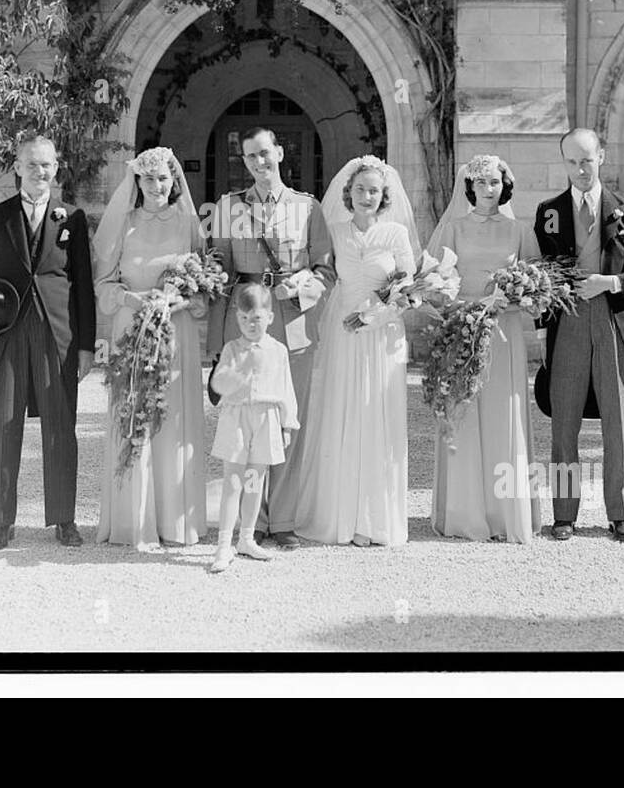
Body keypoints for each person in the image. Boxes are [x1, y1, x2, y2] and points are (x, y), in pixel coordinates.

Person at [0, 132, 96, 550]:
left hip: (57, 336)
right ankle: (2, 523)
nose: (41, 171)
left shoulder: (73, 218)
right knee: (3, 428)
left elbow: (84, 287)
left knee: (61, 428)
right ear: (18, 167)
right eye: (33, 164)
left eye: (47, 164)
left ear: (56, 168)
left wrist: (86, 346)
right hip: (5, 336)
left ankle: (64, 520)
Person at [533, 128, 624, 544]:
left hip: (611, 323)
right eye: (572, 162)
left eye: (587, 160)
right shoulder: (548, 212)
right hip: (567, 325)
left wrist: (611, 282)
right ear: (564, 162)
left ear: (601, 157)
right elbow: (542, 278)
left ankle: (620, 514)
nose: (580, 169)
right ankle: (564, 514)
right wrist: (542, 332)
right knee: (563, 426)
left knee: (617, 424)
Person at [207, 126, 335, 550]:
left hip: (291, 322)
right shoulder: (228, 208)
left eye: (265, 153)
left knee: (287, 420)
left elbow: (326, 269)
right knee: (246, 419)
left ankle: (282, 519)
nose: (259, 162)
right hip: (245, 322)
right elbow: (218, 271)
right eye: (250, 156)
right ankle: (252, 522)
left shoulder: (307, 207)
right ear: (244, 162)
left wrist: (298, 289)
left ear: (280, 152)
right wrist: (216, 341)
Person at [295, 156, 419, 547]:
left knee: (377, 415)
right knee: (342, 411)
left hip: (384, 336)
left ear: (384, 196)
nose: (367, 196)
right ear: (349, 193)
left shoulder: (396, 234)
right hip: (343, 332)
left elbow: (409, 290)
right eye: (360, 189)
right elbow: (321, 276)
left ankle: (374, 520)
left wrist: (374, 316)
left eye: (374, 190)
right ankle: (340, 515)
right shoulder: (334, 231)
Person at [92, 147, 207, 550]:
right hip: (132, 327)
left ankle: (175, 522)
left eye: (163, 178)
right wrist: (132, 300)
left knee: (173, 419)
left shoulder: (188, 222)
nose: (156, 186)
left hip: (176, 331)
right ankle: (134, 521)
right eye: (148, 178)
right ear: (136, 181)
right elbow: (103, 285)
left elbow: (204, 285)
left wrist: (179, 301)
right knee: (134, 415)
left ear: (174, 181)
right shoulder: (122, 224)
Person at [425, 155, 542, 544]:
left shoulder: (519, 230)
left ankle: (505, 514)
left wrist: (516, 298)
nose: (488, 189)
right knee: (464, 411)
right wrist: (459, 305)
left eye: (494, 182)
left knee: (503, 414)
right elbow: (436, 283)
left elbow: (538, 285)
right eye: (480, 182)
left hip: (504, 333)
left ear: (504, 185)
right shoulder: (453, 229)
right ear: (469, 187)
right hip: (463, 328)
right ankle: (465, 513)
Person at [208, 285, 299, 572]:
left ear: (269, 317)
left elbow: (286, 389)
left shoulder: (278, 351)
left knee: (254, 481)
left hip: (265, 418)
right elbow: (218, 383)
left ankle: (246, 538)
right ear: (237, 318)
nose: (250, 324)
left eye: (256, 318)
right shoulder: (232, 349)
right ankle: (224, 544)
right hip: (236, 418)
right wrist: (236, 374)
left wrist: (287, 424)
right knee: (233, 482)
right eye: (244, 318)